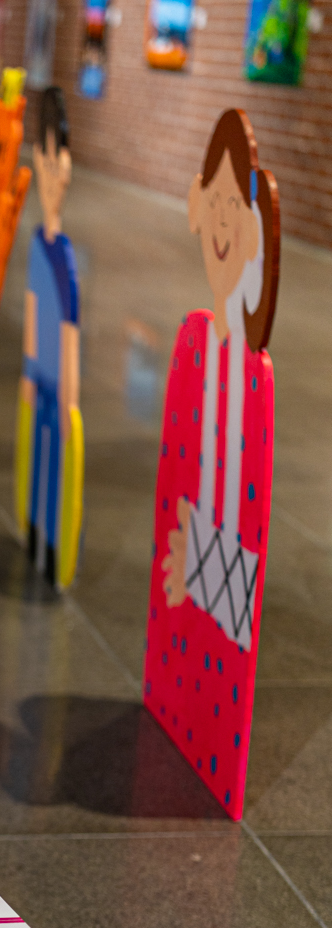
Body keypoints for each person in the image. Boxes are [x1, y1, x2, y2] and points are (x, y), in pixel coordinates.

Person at [142, 107, 280, 816]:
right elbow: (179, 457)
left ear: (253, 230)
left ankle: (204, 730)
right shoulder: (194, 343)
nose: (222, 223)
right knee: (191, 628)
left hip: (225, 555)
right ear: (198, 207)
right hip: (192, 541)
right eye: (215, 203)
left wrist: (203, 552)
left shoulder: (254, 379)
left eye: (235, 208)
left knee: (219, 636)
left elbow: (245, 496)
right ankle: (177, 705)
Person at [15, 86, 81, 587]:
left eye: (58, 163)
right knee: (36, 459)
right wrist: (28, 371)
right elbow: (34, 309)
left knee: (57, 461)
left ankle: (53, 542)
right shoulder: (40, 244)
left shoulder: (63, 257)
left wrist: (70, 396)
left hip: (59, 387)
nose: (52, 174)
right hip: (39, 379)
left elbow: (68, 328)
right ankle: (35, 529)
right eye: (45, 160)